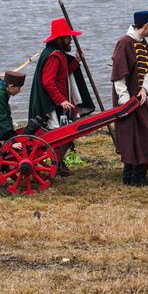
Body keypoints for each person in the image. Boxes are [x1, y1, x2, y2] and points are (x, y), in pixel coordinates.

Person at [28, 18, 95, 176]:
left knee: (65, 133)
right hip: (52, 104)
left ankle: (59, 163)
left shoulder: (58, 54)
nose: (70, 40)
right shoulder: (54, 56)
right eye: (67, 37)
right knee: (58, 135)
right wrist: (61, 100)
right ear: (59, 39)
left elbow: (63, 74)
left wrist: (77, 61)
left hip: (58, 102)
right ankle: (56, 165)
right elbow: (48, 82)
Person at [111, 11, 148, 186]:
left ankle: (132, 177)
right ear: (146, 26)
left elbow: (146, 71)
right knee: (131, 136)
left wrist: (145, 89)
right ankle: (134, 178)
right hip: (127, 100)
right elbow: (118, 77)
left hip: (140, 99)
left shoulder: (142, 43)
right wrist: (125, 100)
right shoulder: (124, 43)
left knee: (144, 133)